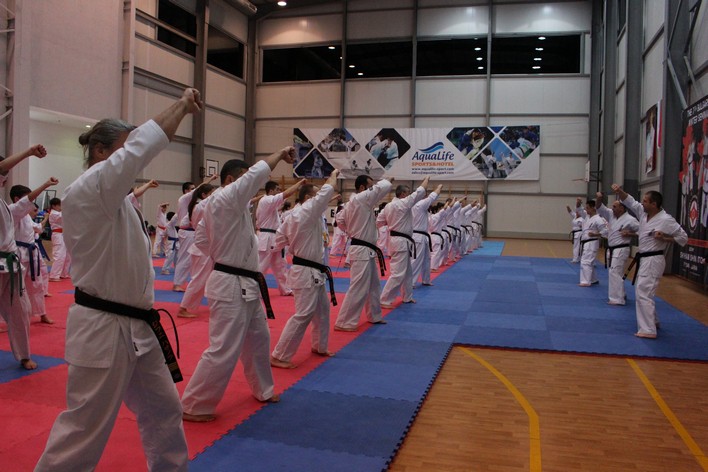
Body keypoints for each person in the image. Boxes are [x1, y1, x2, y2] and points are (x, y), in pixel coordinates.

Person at [35, 88, 201, 472]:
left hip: (139, 326)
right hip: (103, 328)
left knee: (164, 410)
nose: (131, 164)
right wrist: (181, 106)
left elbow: (135, 154)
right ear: (101, 151)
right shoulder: (88, 190)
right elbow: (140, 149)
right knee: (84, 428)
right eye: (123, 151)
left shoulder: (120, 200)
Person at [180, 148, 295, 423]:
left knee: (259, 340)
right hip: (230, 283)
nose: (248, 184)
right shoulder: (224, 198)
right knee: (224, 348)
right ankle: (194, 404)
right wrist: (280, 154)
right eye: (243, 178)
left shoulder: (230, 207)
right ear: (231, 180)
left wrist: (223, 252)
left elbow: (202, 241)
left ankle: (263, 389)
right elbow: (256, 174)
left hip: (245, 281)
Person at [270, 170, 340, 369]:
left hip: (313, 270)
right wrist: (334, 174)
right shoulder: (305, 212)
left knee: (322, 310)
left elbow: (279, 239)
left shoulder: (296, 215)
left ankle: (319, 346)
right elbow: (326, 192)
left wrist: (294, 244)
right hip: (305, 271)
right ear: (309, 198)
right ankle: (279, 355)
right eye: (315, 196)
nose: (319, 199)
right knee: (304, 314)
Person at [611, 184, 688, 339]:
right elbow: (630, 201)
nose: (642, 203)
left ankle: (648, 329)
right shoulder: (643, 213)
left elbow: (683, 238)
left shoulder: (666, 219)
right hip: (645, 258)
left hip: (654, 259)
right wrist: (619, 191)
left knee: (643, 291)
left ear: (654, 204)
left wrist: (665, 238)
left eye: (645, 201)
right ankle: (653, 321)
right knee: (644, 290)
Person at [0, 144, 48, 370]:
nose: (4, 177)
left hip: (11, 265)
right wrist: (28, 153)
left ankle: (24, 355)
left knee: (21, 311)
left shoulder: (6, 207)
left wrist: (45, 185)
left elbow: (25, 202)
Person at [333, 174, 393, 331]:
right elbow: (382, 188)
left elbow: (339, 220)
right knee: (358, 286)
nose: (371, 189)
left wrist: (351, 230)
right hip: (361, 249)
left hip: (366, 249)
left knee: (374, 285)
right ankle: (344, 322)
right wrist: (388, 180)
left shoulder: (350, 203)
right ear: (361, 187)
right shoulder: (361, 199)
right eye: (369, 186)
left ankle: (374, 315)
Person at [9, 179, 59, 326]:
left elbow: (37, 228)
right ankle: (6, 319)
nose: (31, 202)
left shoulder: (26, 216)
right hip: (18, 253)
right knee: (14, 287)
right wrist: (45, 185)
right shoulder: (12, 211)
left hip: (32, 252)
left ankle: (41, 313)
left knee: (37, 285)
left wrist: (43, 220)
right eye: (27, 198)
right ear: (17, 199)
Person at [378, 177, 429, 308]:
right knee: (398, 273)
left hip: (399, 240)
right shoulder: (402, 204)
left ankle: (407, 296)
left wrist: (392, 223)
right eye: (408, 192)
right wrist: (426, 179)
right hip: (400, 241)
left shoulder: (388, 206)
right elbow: (419, 192)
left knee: (407, 272)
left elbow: (379, 222)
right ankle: (384, 299)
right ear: (402, 194)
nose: (409, 195)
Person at [256, 178, 305, 296]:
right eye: (277, 189)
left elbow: (283, 202)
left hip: (275, 237)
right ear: (271, 190)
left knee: (280, 265)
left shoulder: (271, 205)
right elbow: (286, 194)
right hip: (267, 237)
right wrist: (299, 183)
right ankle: (254, 290)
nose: (279, 191)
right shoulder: (266, 200)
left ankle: (285, 289)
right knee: (262, 266)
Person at [177, 183, 216, 318]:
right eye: (210, 193)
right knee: (198, 279)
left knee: (209, 279)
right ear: (204, 195)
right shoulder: (200, 206)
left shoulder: (196, 206)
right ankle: (183, 308)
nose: (212, 195)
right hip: (202, 249)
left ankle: (214, 304)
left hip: (201, 247)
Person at [596, 192, 639, 305]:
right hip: (611, 249)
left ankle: (617, 299)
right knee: (614, 272)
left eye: (615, 207)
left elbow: (642, 232)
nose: (612, 208)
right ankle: (621, 293)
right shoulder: (611, 215)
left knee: (615, 272)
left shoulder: (630, 219)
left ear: (622, 208)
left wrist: (630, 233)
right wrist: (599, 198)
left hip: (621, 248)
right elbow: (599, 207)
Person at [411, 184, 442, 288]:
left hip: (423, 236)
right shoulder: (419, 204)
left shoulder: (416, 204)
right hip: (418, 236)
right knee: (416, 260)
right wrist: (439, 187)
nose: (427, 196)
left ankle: (426, 280)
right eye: (425, 194)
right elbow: (433, 197)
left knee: (426, 260)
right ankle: (411, 282)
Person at [578, 200, 607, 287]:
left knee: (586, 261)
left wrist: (595, 234)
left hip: (592, 242)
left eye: (587, 208)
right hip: (587, 242)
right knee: (589, 261)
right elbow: (579, 209)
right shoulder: (587, 217)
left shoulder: (599, 219)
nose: (586, 210)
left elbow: (605, 231)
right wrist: (579, 203)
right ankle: (593, 279)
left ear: (593, 208)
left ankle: (586, 281)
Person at [47, 197, 71, 281]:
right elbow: (65, 215)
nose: (61, 207)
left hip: (64, 234)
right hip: (58, 235)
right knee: (59, 255)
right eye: (59, 205)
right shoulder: (54, 214)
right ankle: (54, 275)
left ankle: (64, 273)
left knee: (67, 255)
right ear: (54, 206)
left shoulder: (59, 213)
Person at [566, 198, 585, 263]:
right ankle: (576, 258)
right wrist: (568, 207)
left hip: (580, 233)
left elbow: (583, 226)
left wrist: (579, 202)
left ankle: (576, 259)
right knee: (576, 246)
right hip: (575, 233)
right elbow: (570, 212)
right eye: (576, 212)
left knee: (578, 246)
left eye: (577, 212)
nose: (576, 213)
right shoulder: (575, 216)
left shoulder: (582, 218)